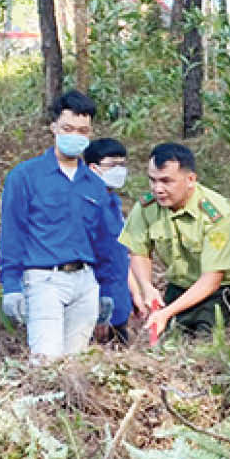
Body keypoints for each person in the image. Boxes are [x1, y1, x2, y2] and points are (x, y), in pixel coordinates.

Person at [0, 90, 119, 359]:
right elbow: (12, 235)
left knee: (76, 367)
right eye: (67, 128)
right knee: (47, 361)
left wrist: (107, 290)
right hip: (44, 280)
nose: (74, 136)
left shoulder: (96, 185)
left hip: (86, 282)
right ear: (53, 127)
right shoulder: (25, 177)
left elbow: (105, 243)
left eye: (82, 131)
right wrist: (11, 287)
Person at [119, 143, 230, 338]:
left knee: (207, 345)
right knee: (171, 342)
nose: (157, 189)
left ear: (190, 180)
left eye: (166, 181)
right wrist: (146, 287)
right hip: (179, 284)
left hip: (219, 290)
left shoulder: (216, 212)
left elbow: (212, 278)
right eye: (152, 180)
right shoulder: (146, 206)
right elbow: (139, 252)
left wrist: (166, 313)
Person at [85, 138, 134, 342]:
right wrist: (99, 309)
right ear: (94, 168)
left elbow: (120, 256)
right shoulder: (88, 205)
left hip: (119, 300)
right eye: (113, 165)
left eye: (122, 164)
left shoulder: (113, 202)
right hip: (98, 303)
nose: (119, 170)